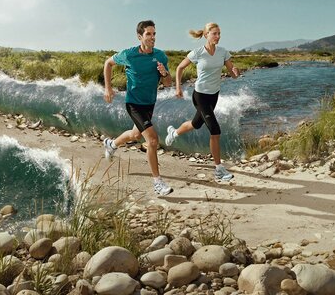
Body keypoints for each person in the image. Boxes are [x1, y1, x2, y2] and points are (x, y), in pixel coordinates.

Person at [103, 20, 174, 195]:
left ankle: (111, 144)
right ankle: (158, 183)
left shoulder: (160, 56)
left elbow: (167, 83)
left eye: (154, 34)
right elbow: (108, 63)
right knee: (152, 140)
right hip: (133, 103)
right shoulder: (129, 54)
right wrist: (108, 87)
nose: (152, 37)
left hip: (150, 103)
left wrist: (164, 73)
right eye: (149, 34)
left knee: (135, 135)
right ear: (140, 36)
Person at [165, 22, 240, 181]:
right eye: (215, 33)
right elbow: (179, 68)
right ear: (206, 35)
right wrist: (178, 88)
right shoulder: (197, 52)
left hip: (214, 95)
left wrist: (235, 72)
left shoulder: (223, 52)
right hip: (200, 96)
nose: (218, 36)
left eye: (219, 33)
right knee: (215, 130)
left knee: (196, 123)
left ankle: (174, 132)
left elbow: (233, 74)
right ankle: (219, 169)